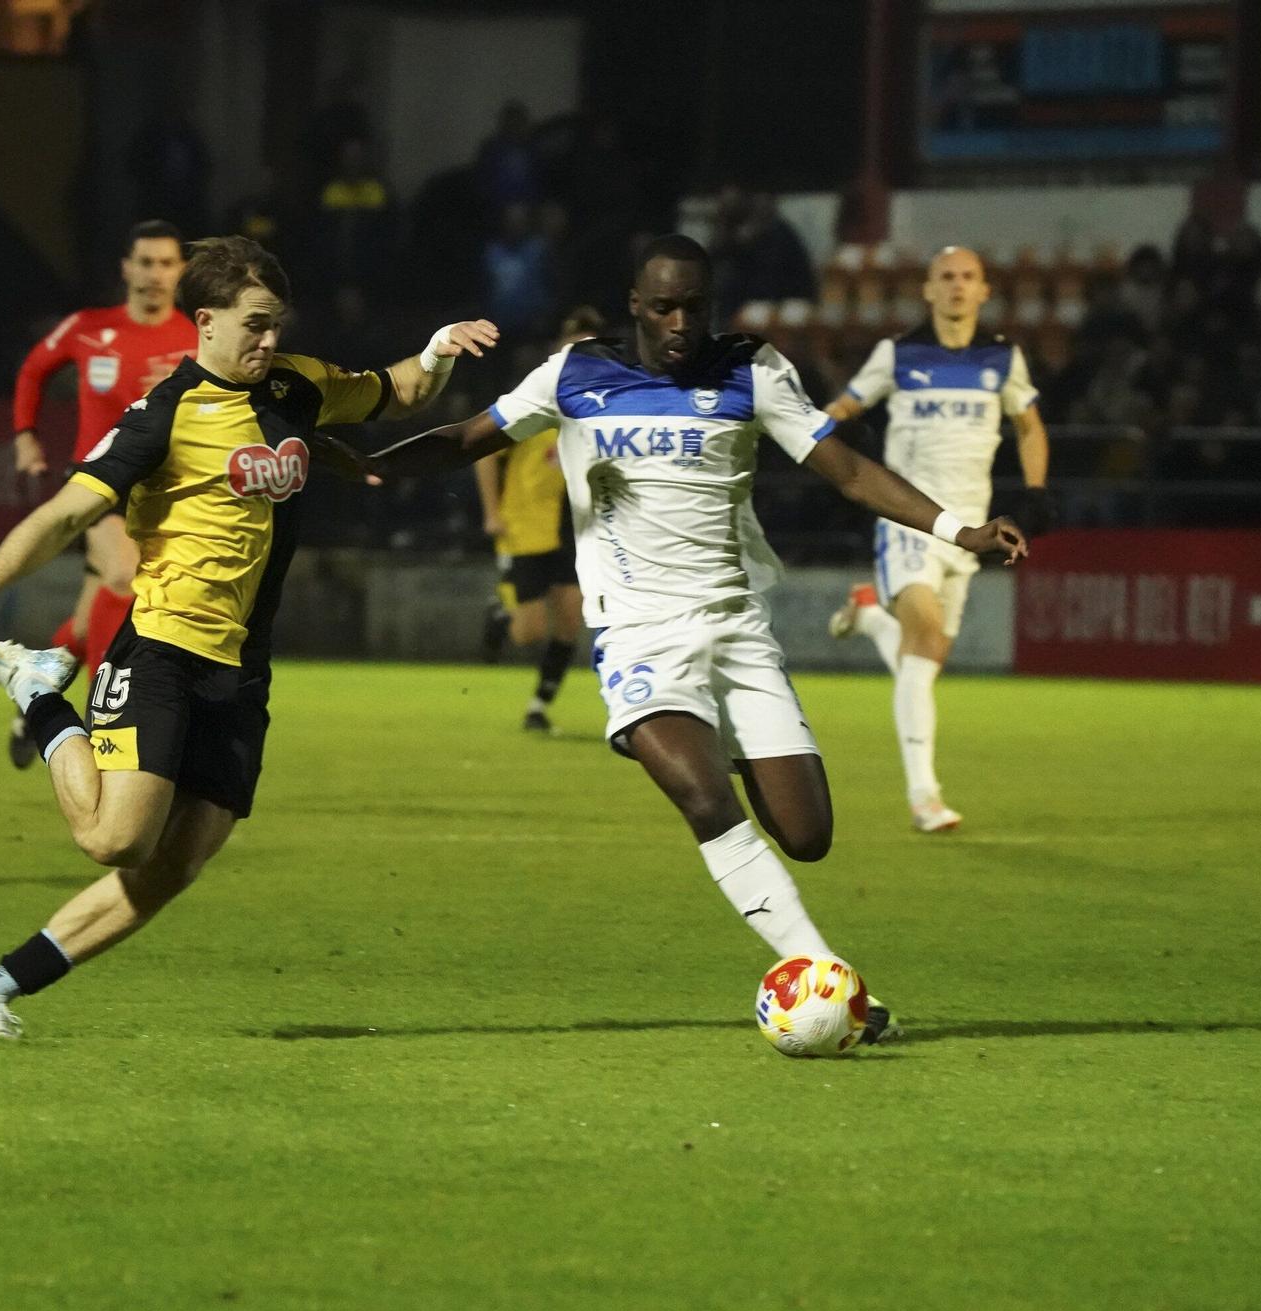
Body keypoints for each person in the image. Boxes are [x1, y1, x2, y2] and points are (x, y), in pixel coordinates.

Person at [371, 235, 1029, 1038]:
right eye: (664, 307)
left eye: (695, 306)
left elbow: (849, 470)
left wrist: (960, 530)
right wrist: (360, 466)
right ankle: (823, 973)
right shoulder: (576, 374)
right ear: (637, 307)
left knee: (807, 834)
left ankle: (738, 750)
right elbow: (468, 437)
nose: (681, 322)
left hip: (734, 630)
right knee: (702, 796)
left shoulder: (751, 371)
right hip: (638, 636)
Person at [0, 235, 497, 1038]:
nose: (269, 340)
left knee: (171, 869)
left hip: (243, 670)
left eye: (276, 324)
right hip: (165, 647)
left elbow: (403, 391)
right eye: (254, 325)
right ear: (204, 323)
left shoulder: (297, 386)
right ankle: (39, 691)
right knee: (115, 839)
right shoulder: (165, 414)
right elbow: (64, 514)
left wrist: (439, 348)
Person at [823, 246, 1051, 832]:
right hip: (911, 521)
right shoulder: (898, 353)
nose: (956, 286)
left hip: (971, 532)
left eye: (968, 277)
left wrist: (1035, 494)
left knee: (926, 657)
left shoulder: (1002, 357)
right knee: (924, 637)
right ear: (927, 290)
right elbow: (847, 404)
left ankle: (871, 618)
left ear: (984, 291)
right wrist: (817, 427)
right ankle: (925, 793)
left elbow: (1028, 425)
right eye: (945, 277)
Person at [8, 221, 198, 768]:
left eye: (166, 264)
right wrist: (25, 437)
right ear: (126, 268)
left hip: (160, 490)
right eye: (145, 262)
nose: (155, 274)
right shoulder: (89, 328)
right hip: (98, 480)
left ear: (180, 271)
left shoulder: (194, 339)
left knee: (96, 619)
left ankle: (34, 684)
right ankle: (105, 720)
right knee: (123, 577)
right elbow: (32, 371)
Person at [472, 307, 601, 730]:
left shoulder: (602, 408)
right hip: (525, 525)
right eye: (573, 348)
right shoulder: (536, 399)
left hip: (574, 527)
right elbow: (485, 451)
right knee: (527, 632)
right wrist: (491, 511)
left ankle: (539, 707)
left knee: (571, 616)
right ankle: (501, 611)